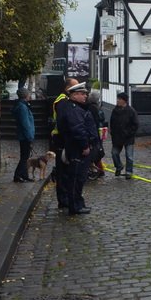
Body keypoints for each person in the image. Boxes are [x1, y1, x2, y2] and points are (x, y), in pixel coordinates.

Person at [56, 82, 98, 215]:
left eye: (85, 94)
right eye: (82, 94)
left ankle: (78, 203)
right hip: (77, 149)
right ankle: (75, 206)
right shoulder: (73, 109)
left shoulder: (74, 108)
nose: (85, 96)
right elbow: (78, 129)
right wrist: (85, 146)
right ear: (74, 95)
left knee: (78, 178)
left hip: (76, 148)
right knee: (76, 178)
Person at [50, 77, 79, 209]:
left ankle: (66, 197)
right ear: (68, 88)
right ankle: (63, 199)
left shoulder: (65, 100)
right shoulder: (62, 101)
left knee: (67, 169)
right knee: (63, 170)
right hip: (61, 139)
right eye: (75, 87)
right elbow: (63, 122)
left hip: (63, 138)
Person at [109, 91, 139, 180]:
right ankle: (119, 166)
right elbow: (112, 122)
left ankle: (129, 172)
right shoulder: (115, 110)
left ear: (124, 101)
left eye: (119, 99)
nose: (117, 101)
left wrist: (129, 133)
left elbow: (136, 124)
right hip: (117, 138)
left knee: (129, 156)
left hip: (128, 138)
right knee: (114, 154)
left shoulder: (131, 111)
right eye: (118, 99)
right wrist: (113, 133)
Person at [11, 88, 35, 183]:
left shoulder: (23, 106)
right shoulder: (22, 107)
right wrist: (30, 137)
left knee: (26, 156)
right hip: (25, 136)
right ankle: (17, 175)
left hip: (24, 135)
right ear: (25, 96)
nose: (30, 96)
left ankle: (24, 175)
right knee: (24, 157)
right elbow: (25, 124)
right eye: (29, 94)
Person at [85, 90, 106, 178]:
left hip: (95, 134)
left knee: (96, 152)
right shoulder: (94, 108)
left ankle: (99, 170)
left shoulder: (91, 107)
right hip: (96, 133)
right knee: (97, 152)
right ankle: (99, 170)